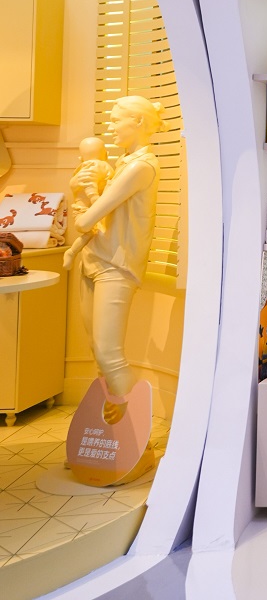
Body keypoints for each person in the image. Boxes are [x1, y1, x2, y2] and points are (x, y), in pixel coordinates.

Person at [72, 96, 165, 424]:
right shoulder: (123, 162)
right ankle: (111, 433)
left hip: (117, 265)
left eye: (115, 120)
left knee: (108, 353)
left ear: (138, 122)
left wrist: (87, 197)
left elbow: (86, 220)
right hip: (94, 258)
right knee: (98, 353)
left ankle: (131, 432)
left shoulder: (141, 167)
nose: (110, 127)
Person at [62, 137, 114, 271]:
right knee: (88, 232)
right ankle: (72, 252)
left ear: (80, 158)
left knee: (90, 233)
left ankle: (72, 252)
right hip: (88, 210)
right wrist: (95, 199)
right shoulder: (99, 166)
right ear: (106, 154)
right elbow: (89, 183)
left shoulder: (81, 169)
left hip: (80, 208)